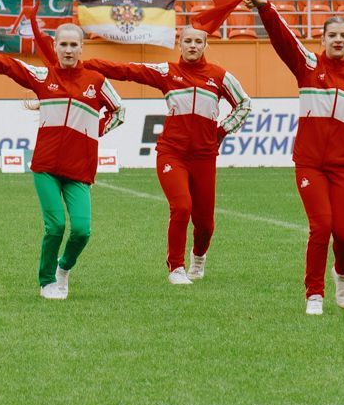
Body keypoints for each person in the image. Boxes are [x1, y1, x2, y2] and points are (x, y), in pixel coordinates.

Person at [0, 11, 124, 300]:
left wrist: (94, 132)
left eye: (73, 45)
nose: (68, 50)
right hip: (46, 167)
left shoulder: (97, 81)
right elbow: (5, 65)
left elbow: (119, 111)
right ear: (55, 47)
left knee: (82, 231)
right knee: (56, 226)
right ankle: (47, 280)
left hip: (79, 170)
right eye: (63, 45)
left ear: (82, 47)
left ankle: (64, 268)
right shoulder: (43, 76)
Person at [244, 0, 344, 316]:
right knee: (321, 228)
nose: (338, 40)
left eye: (343, 35)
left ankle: (342, 275)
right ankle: (314, 294)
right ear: (323, 40)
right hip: (310, 163)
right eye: (332, 35)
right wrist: (265, 8)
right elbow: (283, 39)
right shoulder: (307, 65)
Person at [85, 26, 251, 284]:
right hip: (171, 152)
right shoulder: (167, 72)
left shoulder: (220, 76)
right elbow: (129, 70)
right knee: (182, 206)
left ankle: (198, 257)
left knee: (205, 224)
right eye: (188, 41)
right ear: (180, 45)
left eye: (198, 41)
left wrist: (221, 131)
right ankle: (176, 268)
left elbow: (244, 103)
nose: (193, 45)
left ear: (205, 45)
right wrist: (87, 64)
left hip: (204, 157)